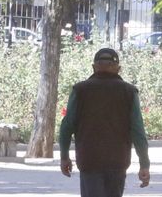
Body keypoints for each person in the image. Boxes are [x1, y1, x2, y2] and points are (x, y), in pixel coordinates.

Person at [59, 47, 151, 197]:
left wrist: (64, 156)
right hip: (118, 160)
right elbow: (137, 130)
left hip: (89, 159)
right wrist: (144, 164)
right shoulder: (129, 92)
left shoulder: (80, 90)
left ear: (94, 67)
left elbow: (67, 125)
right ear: (118, 69)